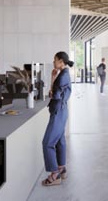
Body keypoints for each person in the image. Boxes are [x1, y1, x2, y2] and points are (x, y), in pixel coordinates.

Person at [41, 51, 73, 186]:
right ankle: (61, 168)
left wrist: (52, 87)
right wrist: (53, 78)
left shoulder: (63, 76)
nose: (53, 62)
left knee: (47, 143)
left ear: (61, 61)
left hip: (58, 111)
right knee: (60, 141)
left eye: (55, 60)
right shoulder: (63, 74)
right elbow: (56, 92)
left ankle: (55, 174)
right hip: (62, 111)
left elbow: (55, 95)